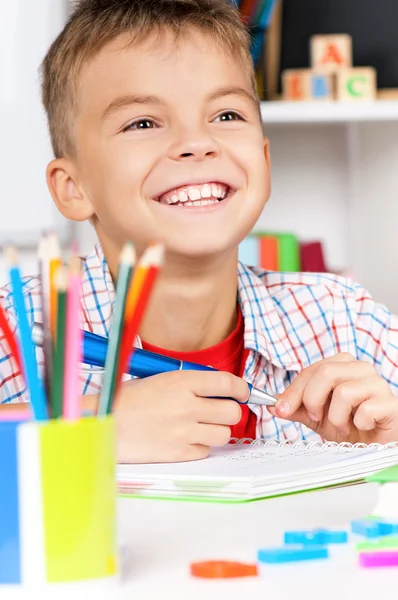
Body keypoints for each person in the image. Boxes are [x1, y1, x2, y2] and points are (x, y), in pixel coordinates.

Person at [1, 0, 398, 463]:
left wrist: (390, 442)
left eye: (226, 115)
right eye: (143, 123)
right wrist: (93, 428)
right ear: (73, 188)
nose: (196, 143)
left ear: (264, 162)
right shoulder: (16, 328)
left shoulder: (345, 320)